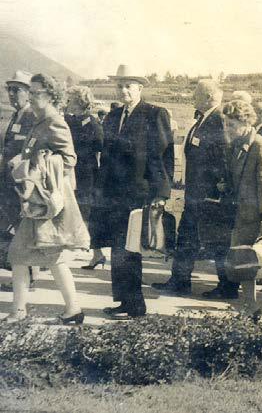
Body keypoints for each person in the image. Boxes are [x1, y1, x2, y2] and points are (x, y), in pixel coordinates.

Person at [4, 73, 90, 324]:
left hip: (48, 203)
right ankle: (65, 310)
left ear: (51, 96)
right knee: (30, 254)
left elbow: (69, 159)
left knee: (37, 254)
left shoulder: (54, 122)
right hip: (37, 203)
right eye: (30, 92)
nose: (30, 96)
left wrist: (39, 165)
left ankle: (61, 310)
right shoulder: (38, 120)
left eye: (36, 92)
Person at [99, 65, 173, 320]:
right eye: (120, 85)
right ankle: (123, 302)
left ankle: (136, 306)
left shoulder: (154, 114)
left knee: (132, 250)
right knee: (117, 250)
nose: (123, 90)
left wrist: (161, 193)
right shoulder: (112, 116)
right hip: (114, 194)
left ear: (140, 88)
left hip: (139, 194)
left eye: (128, 85)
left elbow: (162, 156)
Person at [152, 80, 231, 297]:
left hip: (208, 195)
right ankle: (180, 280)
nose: (193, 97)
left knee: (216, 240)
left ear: (208, 97)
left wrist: (217, 187)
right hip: (195, 193)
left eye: (196, 94)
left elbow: (223, 157)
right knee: (187, 236)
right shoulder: (203, 119)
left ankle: (226, 286)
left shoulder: (218, 120)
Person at [222, 100, 262, 317]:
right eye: (226, 124)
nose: (227, 129)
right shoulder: (236, 145)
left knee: (249, 263)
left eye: (231, 125)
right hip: (240, 213)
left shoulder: (261, 146)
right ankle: (250, 306)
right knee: (242, 262)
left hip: (254, 216)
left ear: (246, 123)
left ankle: (251, 307)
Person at [0, 71, 38, 290]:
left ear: (29, 93)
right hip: (8, 183)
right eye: (10, 89)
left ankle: (28, 279)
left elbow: (32, 150)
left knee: (23, 231)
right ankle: (21, 277)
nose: (12, 94)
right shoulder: (15, 116)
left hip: (22, 184)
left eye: (17, 90)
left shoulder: (32, 116)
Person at [63, 86, 105, 270]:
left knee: (85, 213)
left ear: (80, 102)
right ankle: (96, 253)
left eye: (71, 99)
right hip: (72, 171)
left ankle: (96, 253)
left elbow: (100, 148)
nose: (67, 103)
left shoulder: (92, 124)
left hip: (86, 174)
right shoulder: (69, 120)